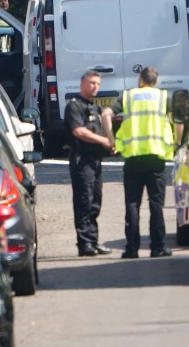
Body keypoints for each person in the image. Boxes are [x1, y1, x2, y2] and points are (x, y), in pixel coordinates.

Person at [107, 66, 175, 258]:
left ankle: (131, 249)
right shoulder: (163, 97)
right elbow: (180, 119)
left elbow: (106, 114)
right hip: (156, 158)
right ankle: (157, 247)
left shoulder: (128, 96)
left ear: (140, 79)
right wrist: (177, 142)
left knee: (132, 204)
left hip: (133, 158)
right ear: (156, 81)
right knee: (156, 204)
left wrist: (112, 141)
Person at [65, 71, 115, 257]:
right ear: (82, 83)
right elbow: (79, 131)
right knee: (84, 200)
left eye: (98, 84)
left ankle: (93, 241)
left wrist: (110, 144)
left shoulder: (94, 108)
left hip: (95, 160)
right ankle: (84, 244)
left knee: (95, 201)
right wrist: (103, 141)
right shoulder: (74, 106)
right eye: (92, 83)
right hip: (82, 160)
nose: (95, 86)